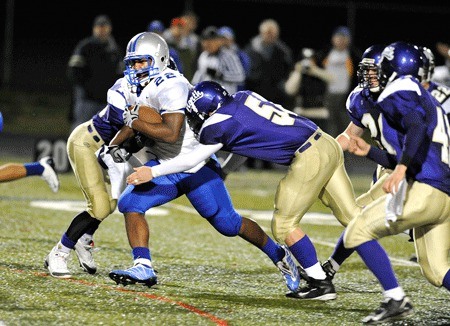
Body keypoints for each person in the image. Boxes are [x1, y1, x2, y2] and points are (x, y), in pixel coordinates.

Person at [127, 80, 365, 300]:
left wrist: (153, 172)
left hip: (308, 155)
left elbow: (193, 161)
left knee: (283, 225)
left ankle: (320, 282)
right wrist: (226, 169)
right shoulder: (242, 96)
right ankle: (393, 290)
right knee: (355, 219)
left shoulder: (216, 124)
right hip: (326, 142)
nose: (192, 120)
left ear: (207, 111)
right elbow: (245, 139)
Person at [101, 32, 300, 293]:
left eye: (142, 62)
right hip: (166, 165)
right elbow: (133, 117)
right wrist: (115, 144)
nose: (136, 69)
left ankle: (281, 256)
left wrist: (132, 121)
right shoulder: (131, 86)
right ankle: (143, 266)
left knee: (228, 224)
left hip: (195, 165)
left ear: (160, 59)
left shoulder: (172, 84)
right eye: (133, 63)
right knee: (130, 203)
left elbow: (169, 131)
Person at [342, 41, 450, 323]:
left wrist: (401, 169)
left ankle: (395, 298)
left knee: (357, 230)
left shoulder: (400, 88)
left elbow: (414, 128)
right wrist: (370, 152)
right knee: (437, 271)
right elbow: (418, 144)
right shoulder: (428, 97)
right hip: (444, 195)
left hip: (426, 189)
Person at [44, 76, 147, 278]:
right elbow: (129, 127)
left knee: (113, 203)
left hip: (109, 151)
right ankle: (59, 252)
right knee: (99, 206)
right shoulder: (123, 88)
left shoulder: (154, 96)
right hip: (88, 143)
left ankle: (84, 239)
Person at [67, 14, 124, 131]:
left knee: (105, 135)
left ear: (110, 28)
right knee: (80, 132)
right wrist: (86, 88)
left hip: (106, 102)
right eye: (99, 27)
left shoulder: (115, 50)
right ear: (94, 28)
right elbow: (73, 71)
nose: (102, 30)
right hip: (86, 100)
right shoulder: (85, 46)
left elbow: (121, 75)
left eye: (104, 27)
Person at [315, 26, 362, 137]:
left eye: (344, 38)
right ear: (333, 39)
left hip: (346, 95)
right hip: (329, 93)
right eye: (338, 38)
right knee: (330, 122)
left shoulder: (354, 54)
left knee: (346, 122)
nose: (341, 41)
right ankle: (332, 147)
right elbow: (316, 67)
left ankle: (348, 150)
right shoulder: (325, 53)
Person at [284, 47, 332, 132]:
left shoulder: (320, 71)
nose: (308, 63)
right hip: (302, 113)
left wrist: (314, 70)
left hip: (319, 113)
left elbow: (331, 79)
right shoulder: (298, 74)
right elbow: (289, 90)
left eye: (310, 59)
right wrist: (298, 72)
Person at [191, 26, 246, 95]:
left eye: (211, 41)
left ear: (219, 41)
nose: (207, 44)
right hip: (208, 98)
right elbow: (199, 74)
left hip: (227, 98)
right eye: (205, 41)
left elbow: (240, 77)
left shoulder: (228, 56)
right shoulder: (203, 56)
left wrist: (220, 75)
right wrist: (192, 88)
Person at [217, 26, 251, 90]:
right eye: (221, 38)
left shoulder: (239, 54)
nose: (223, 41)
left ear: (232, 39)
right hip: (222, 88)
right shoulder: (216, 53)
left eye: (225, 38)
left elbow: (243, 75)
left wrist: (221, 75)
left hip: (237, 88)